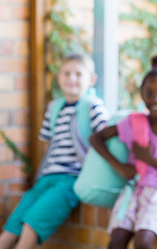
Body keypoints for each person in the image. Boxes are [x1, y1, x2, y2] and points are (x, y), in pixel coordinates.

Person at [89, 54, 157, 249]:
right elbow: (96, 138)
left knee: (143, 242)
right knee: (116, 241)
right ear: (142, 96)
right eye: (149, 94)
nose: (155, 99)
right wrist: (119, 166)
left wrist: (149, 158)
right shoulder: (134, 123)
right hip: (134, 191)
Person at [0, 52, 109, 249]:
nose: (72, 79)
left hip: (72, 179)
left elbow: (106, 137)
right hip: (47, 178)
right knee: (10, 230)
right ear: (58, 78)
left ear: (91, 79)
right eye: (66, 73)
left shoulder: (93, 106)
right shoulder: (54, 108)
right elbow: (47, 143)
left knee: (30, 227)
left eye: (78, 74)